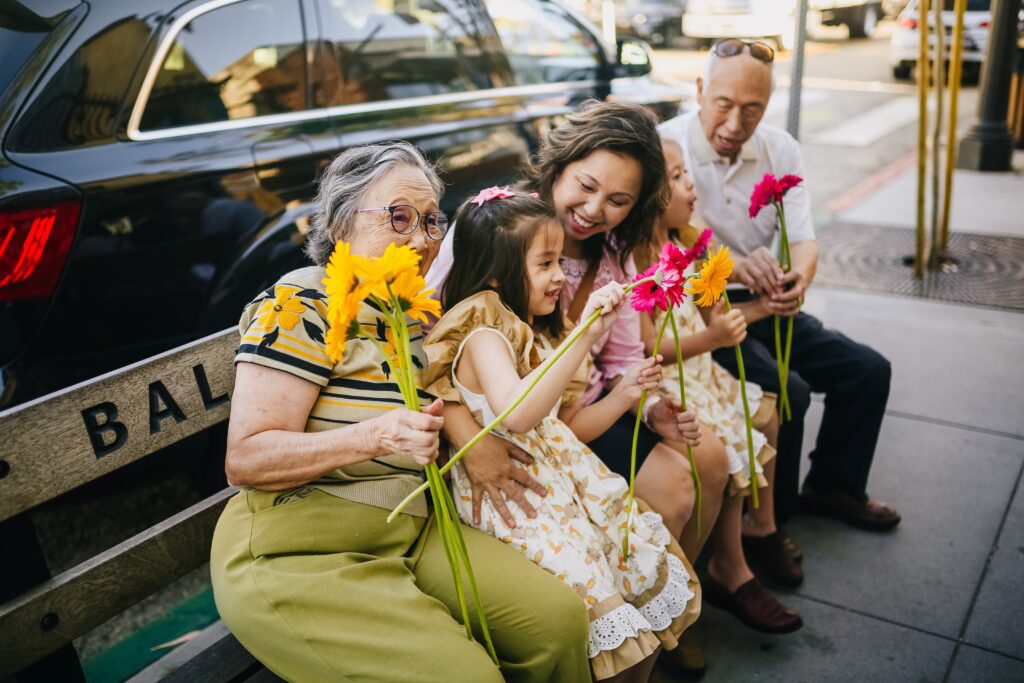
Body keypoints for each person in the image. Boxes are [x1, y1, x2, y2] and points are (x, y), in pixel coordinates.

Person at [209, 142, 592, 682]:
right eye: (398, 217)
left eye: (432, 221)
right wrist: (375, 437)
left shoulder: (412, 317)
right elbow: (245, 459)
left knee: (560, 622)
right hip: (301, 553)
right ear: (343, 225)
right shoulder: (302, 303)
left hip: (411, 533)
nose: (420, 238)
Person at [428, 100, 729, 679]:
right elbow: (430, 347)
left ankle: (663, 623)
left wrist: (650, 408)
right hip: (515, 425)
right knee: (672, 491)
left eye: (618, 201)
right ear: (559, 168)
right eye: (586, 187)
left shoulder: (614, 257)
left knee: (705, 456)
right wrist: (470, 435)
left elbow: (620, 363)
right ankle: (631, 635)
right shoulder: (498, 232)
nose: (594, 210)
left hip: (572, 415)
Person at [659, 39, 900, 535]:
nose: (733, 124)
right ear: (700, 89)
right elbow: (680, 238)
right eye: (723, 105)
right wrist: (736, 267)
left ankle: (835, 486)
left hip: (767, 302)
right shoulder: (666, 147)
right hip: (703, 311)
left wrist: (797, 283)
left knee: (867, 372)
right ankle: (770, 524)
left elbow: (805, 241)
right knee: (789, 393)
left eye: (752, 109)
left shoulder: (779, 148)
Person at [638, 138, 802, 642]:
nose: (691, 186)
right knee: (735, 435)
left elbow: (716, 313)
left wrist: (759, 310)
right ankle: (728, 568)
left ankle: (759, 529)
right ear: (649, 194)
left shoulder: (690, 243)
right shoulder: (643, 259)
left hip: (705, 371)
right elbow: (650, 346)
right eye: (678, 177)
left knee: (767, 413)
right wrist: (713, 335)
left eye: (688, 173)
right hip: (676, 379)